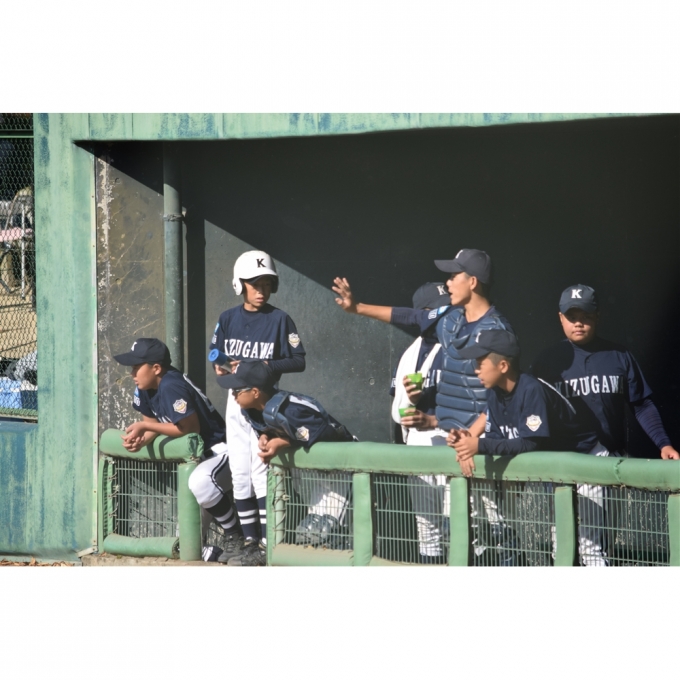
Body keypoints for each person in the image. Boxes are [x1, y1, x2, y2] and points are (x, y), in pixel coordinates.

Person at [333, 248, 514, 477]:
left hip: (481, 446)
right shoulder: (450, 319)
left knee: (479, 503)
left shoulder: (497, 331)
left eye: (453, 276)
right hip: (452, 439)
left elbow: (506, 397)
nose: (448, 283)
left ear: (473, 282)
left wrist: (472, 437)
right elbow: (410, 316)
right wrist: (357, 308)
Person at [450, 329, 604, 566]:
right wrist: (466, 448)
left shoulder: (531, 389)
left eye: (480, 363)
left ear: (503, 366)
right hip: (557, 464)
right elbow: (496, 438)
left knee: (589, 548)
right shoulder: (494, 393)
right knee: (561, 546)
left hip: (587, 457)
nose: (476, 369)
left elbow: (531, 442)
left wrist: (478, 445)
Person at [209, 250, 306, 561]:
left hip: (263, 401)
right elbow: (215, 354)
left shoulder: (279, 319)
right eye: (255, 284)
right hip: (234, 400)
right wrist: (221, 367)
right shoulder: (227, 318)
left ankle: (267, 542)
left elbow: (298, 360)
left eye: (266, 284)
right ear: (240, 284)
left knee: (260, 470)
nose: (261, 290)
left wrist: (265, 364)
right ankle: (250, 541)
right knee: (239, 472)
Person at [114, 337, 243, 562]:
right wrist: (142, 440)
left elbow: (190, 427)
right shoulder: (144, 386)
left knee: (201, 483)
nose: (132, 373)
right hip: (201, 461)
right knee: (186, 546)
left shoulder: (170, 385)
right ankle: (218, 551)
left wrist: (146, 428)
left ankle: (236, 536)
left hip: (222, 452)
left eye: (136, 366)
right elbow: (152, 421)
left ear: (156, 368)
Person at [217, 361, 356, 565]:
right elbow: (269, 428)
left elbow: (326, 433)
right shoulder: (253, 410)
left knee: (333, 532)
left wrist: (282, 442)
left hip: (342, 469)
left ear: (255, 392)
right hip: (317, 474)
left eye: (237, 389)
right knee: (313, 532)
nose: (233, 394)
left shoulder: (291, 409)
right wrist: (266, 437)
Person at [532, 285, 679, 461]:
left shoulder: (618, 355)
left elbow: (641, 405)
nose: (578, 323)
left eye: (586, 316)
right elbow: (531, 411)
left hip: (611, 459)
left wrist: (664, 444)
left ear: (597, 316)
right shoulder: (546, 361)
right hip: (565, 462)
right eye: (572, 317)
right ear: (561, 318)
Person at [390, 282, 450, 563]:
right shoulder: (409, 354)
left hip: (451, 439)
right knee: (427, 527)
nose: (446, 315)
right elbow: (398, 409)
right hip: (418, 440)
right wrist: (414, 400)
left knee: (459, 523)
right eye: (438, 310)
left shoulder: (458, 346)